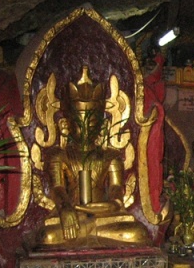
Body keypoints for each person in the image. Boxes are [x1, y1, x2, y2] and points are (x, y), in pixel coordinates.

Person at [37, 66, 149, 246]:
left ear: (102, 126)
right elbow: (57, 188)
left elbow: (116, 189)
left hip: (102, 216)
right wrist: (66, 209)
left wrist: (113, 203)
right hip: (72, 214)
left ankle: (88, 231)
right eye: (79, 123)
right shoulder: (59, 156)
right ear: (66, 124)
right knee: (48, 237)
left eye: (92, 123)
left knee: (136, 233)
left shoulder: (110, 157)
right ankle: (86, 230)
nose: (85, 128)